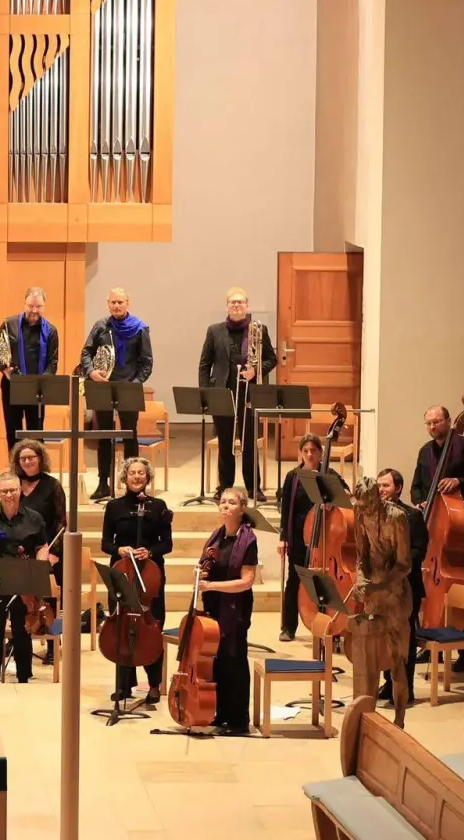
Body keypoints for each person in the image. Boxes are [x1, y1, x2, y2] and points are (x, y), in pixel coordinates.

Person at [410, 404, 464, 671]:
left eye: (436, 422)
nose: (433, 427)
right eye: (428, 423)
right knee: (428, 585)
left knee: (459, 586)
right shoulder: (424, 451)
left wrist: (459, 481)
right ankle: (432, 639)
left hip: (458, 527)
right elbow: (416, 487)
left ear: (447, 421)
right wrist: (420, 502)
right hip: (432, 525)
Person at [101, 457, 173, 704]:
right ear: (125, 477)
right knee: (121, 626)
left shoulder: (158, 506)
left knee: (152, 627)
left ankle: (154, 684)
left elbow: (168, 543)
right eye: (132, 473)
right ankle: (124, 686)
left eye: (141, 473)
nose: (137, 477)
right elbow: (105, 543)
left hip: (150, 576)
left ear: (147, 477)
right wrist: (119, 550)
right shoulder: (114, 506)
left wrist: (150, 551)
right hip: (122, 572)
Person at [0, 473, 50, 683]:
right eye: (4, 491)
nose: (9, 495)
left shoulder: (34, 518)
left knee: (21, 627)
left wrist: (39, 563)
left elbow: (42, 546)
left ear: (20, 490)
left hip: (23, 580)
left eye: (13, 490)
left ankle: (24, 676)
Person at [347, 476, 414, 726]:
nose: (365, 511)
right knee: (370, 657)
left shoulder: (396, 517)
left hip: (395, 594)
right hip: (373, 593)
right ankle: (368, 718)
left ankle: (399, 721)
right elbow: (361, 555)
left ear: (379, 498)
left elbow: (405, 564)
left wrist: (381, 586)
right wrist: (361, 580)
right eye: (361, 506)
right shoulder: (360, 511)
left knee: (397, 661)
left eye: (369, 506)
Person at [197, 287, 276, 498]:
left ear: (247, 306)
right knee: (225, 442)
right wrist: (206, 394)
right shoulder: (214, 331)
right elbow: (205, 364)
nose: (236, 305)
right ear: (227, 306)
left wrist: (256, 371)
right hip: (223, 392)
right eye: (233, 302)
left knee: (249, 443)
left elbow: (272, 359)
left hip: (249, 392)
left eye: (240, 302)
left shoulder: (259, 330)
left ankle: (253, 487)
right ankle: (225, 486)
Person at [80, 288, 154, 499]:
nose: (117, 306)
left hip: (128, 388)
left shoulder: (140, 328)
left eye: (120, 302)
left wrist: (135, 383)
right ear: (108, 304)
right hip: (103, 387)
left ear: (128, 303)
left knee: (130, 435)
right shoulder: (101, 326)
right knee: (103, 435)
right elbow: (86, 353)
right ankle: (103, 483)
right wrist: (92, 372)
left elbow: (147, 363)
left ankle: (135, 484)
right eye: (113, 302)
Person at [198, 487, 259, 735]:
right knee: (218, 660)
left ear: (241, 509)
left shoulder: (248, 540)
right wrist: (201, 574)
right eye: (222, 501)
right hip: (215, 607)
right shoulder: (217, 537)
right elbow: (208, 566)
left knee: (234, 660)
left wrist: (211, 585)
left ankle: (238, 719)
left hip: (236, 609)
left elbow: (247, 581)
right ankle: (221, 712)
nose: (225, 506)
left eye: (231, 502)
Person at [275, 433, 348, 642]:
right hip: (299, 536)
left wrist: (333, 501)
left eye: (313, 451)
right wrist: (283, 537)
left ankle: (329, 626)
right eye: (305, 451)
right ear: (301, 453)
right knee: (294, 580)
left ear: (320, 452)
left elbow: (346, 495)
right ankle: (288, 627)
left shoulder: (329, 475)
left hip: (323, 539)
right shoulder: (294, 476)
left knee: (325, 583)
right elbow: (286, 508)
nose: (309, 454)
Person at [0, 287, 59, 454]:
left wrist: (43, 384)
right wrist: (4, 368)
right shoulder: (8, 324)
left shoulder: (51, 331)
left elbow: (52, 362)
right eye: (30, 306)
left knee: (36, 434)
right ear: (24, 304)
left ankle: (37, 473)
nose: (34, 310)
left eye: (38, 306)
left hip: (37, 390)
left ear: (44, 306)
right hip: (12, 386)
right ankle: (14, 473)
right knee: (13, 432)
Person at [378, 468, 428, 705]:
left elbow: (420, 550)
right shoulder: (374, 516)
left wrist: (398, 560)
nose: (381, 490)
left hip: (406, 587)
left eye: (386, 486)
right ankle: (389, 683)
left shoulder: (412, 516)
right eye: (379, 486)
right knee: (384, 635)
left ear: (398, 488)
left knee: (404, 639)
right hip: (382, 587)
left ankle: (405, 689)